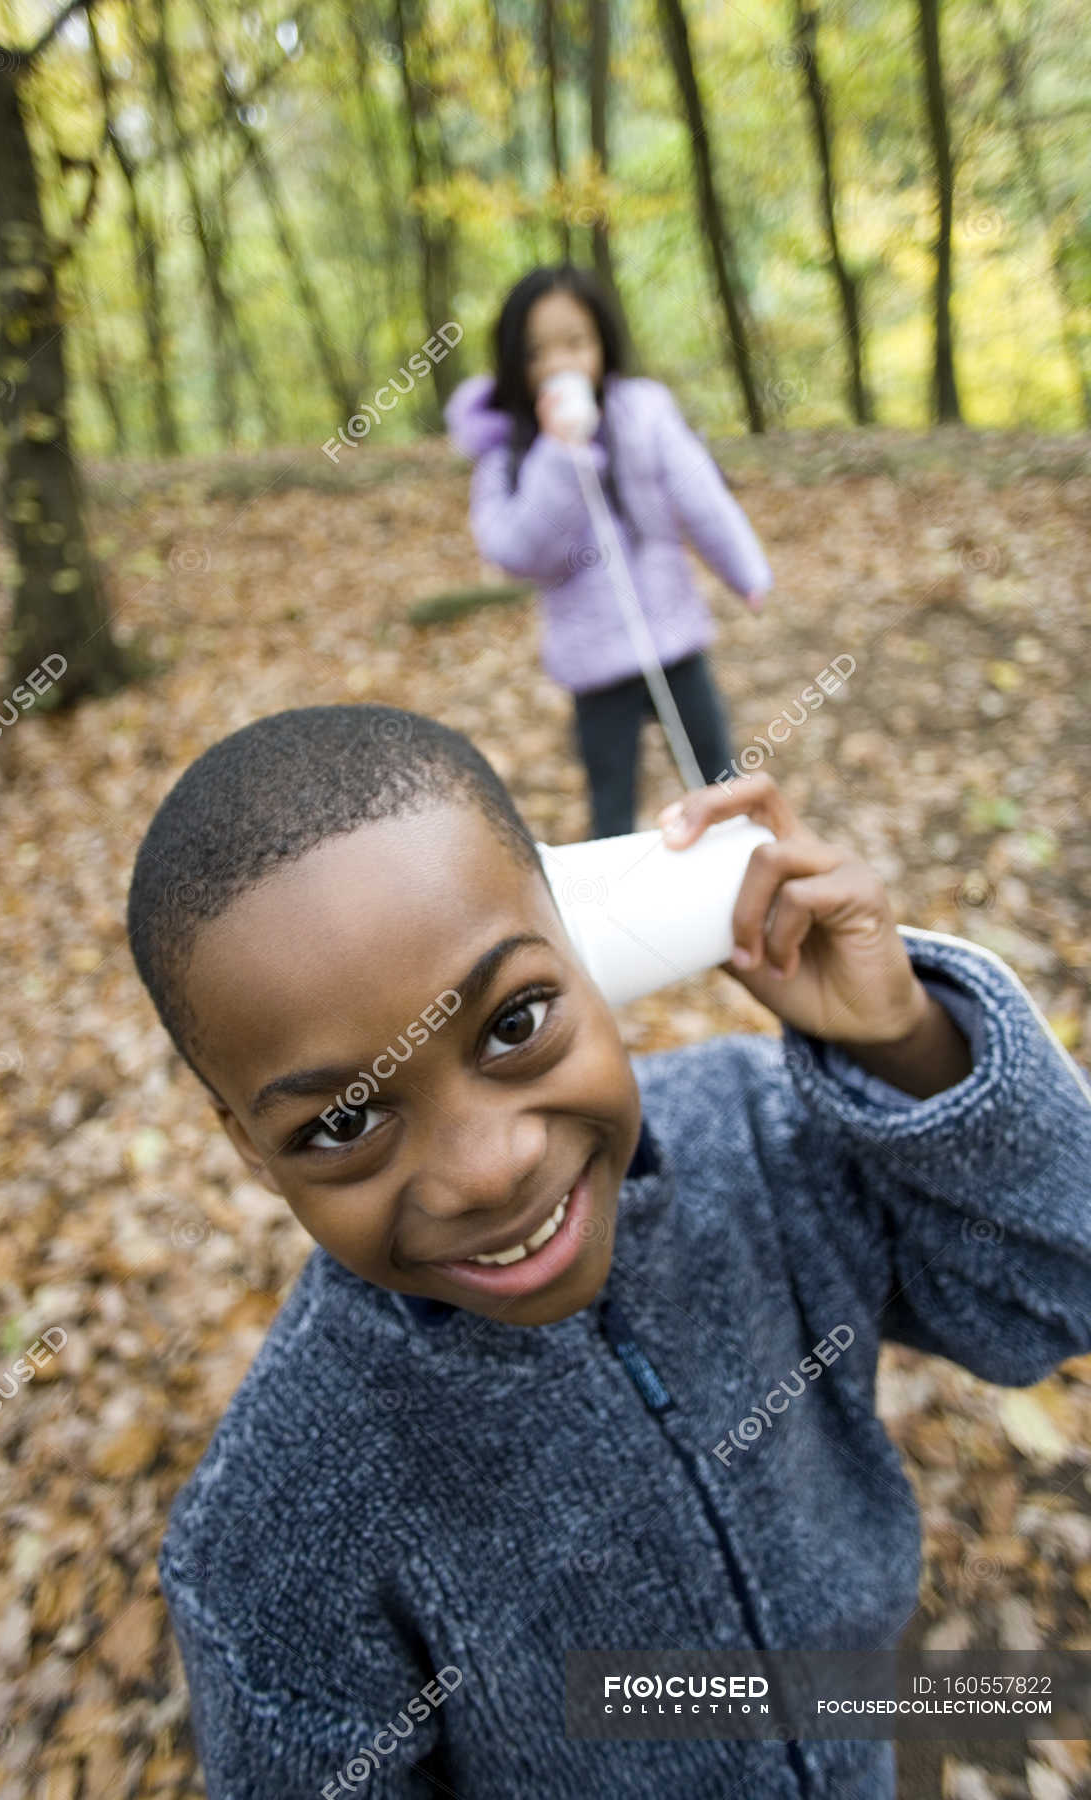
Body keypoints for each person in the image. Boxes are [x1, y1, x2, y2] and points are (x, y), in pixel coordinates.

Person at [126, 703, 1091, 1800]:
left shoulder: (766, 1143)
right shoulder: (269, 1540)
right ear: (250, 1147)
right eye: (343, 1123)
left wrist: (906, 1041)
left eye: (513, 1020)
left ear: (585, 947)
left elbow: (1056, 1296)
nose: (488, 1171)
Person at [445, 263, 773, 838]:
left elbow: (701, 494)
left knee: (718, 780)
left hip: (673, 642)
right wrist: (560, 457)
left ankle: (744, 876)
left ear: (602, 342)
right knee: (612, 807)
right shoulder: (506, 454)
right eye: (536, 352)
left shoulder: (644, 413)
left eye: (575, 343)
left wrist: (744, 568)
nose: (559, 364)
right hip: (593, 667)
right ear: (513, 364)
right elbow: (518, 552)